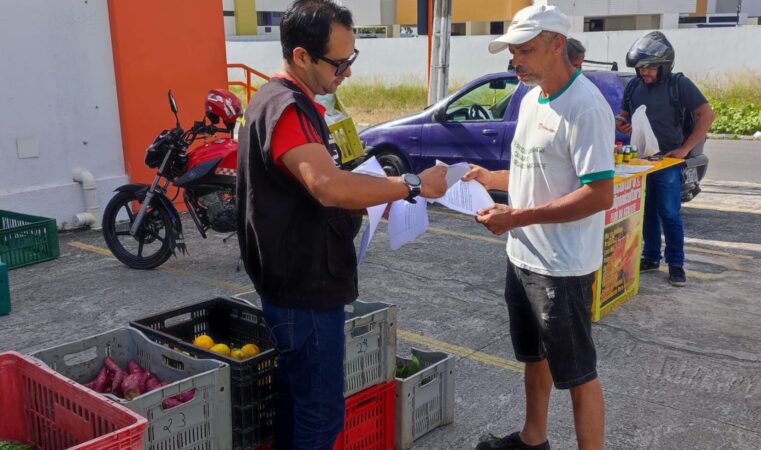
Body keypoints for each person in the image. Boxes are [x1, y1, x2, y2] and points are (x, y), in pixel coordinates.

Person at [235, 1, 447, 448]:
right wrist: (409, 184)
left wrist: (373, 198)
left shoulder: (291, 104)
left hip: (296, 283)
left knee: (297, 405)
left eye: (352, 58)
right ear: (301, 57)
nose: (346, 71)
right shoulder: (286, 108)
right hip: (304, 293)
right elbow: (327, 186)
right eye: (338, 62)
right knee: (320, 417)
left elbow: (319, 187)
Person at [465, 5, 614, 450]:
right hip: (523, 254)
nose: (517, 62)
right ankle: (533, 438)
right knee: (534, 356)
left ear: (557, 45)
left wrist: (518, 217)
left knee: (578, 374)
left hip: (562, 266)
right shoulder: (531, 99)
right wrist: (489, 180)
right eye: (513, 52)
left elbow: (598, 194)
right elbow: (532, 174)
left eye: (526, 50)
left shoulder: (586, 108)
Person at [615, 31, 715, 287]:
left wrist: (684, 149)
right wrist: (623, 125)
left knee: (669, 213)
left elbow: (707, 115)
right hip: (642, 161)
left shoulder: (679, 85)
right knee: (646, 212)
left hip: (668, 162)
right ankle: (650, 257)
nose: (644, 72)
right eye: (640, 67)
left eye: (649, 67)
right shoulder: (634, 86)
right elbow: (624, 116)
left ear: (664, 66)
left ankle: (676, 264)